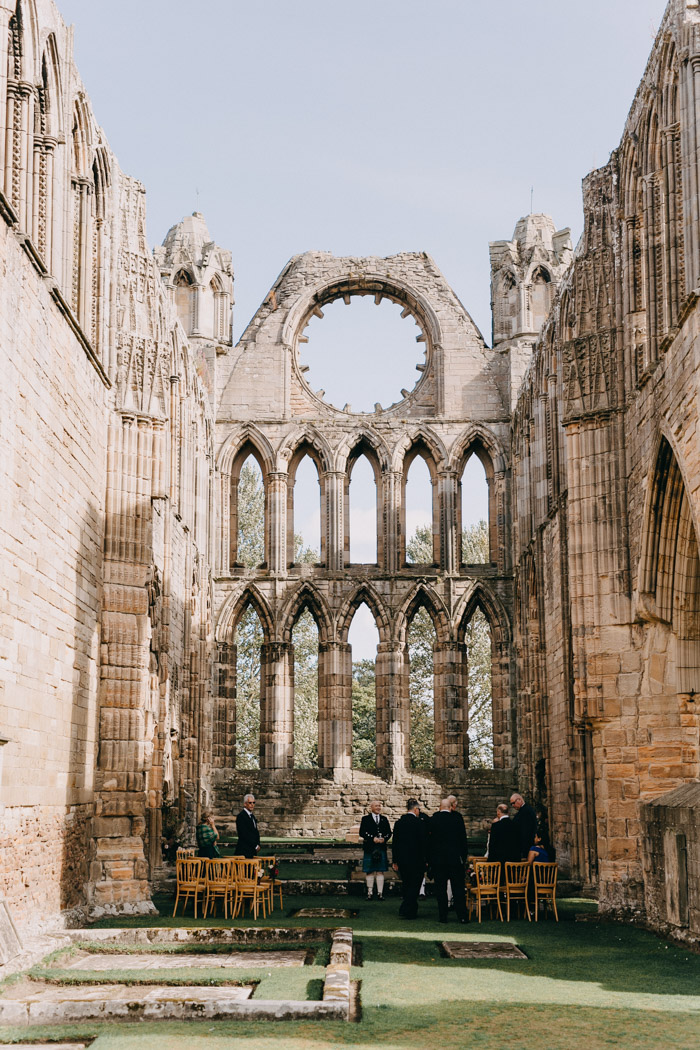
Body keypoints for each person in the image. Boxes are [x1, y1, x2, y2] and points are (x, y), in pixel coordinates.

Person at [429, 798, 469, 924]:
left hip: (439, 860)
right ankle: (462, 916)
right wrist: (463, 856)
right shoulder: (457, 819)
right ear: (450, 807)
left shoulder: (434, 819)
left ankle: (443, 916)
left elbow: (429, 841)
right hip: (454, 859)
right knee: (458, 888)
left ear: (440, 807)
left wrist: (430, 859)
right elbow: (463, 840)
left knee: (440, 889)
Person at [392, 798, 428, 919]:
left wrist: (395, 860)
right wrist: (426, 859)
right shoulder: (419, 823)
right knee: (415, 885)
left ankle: (407, 908)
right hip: (416, 859)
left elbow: (395, 843)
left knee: (407, 883)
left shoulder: (399, 823)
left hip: (403, 859)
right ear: (416, 809)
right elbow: (423, 843)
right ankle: (408, 909)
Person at [359, 800, 392, 900]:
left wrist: (384, 839)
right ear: (371, 807)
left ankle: (380, 893)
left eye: (379, 806)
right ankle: (369, 893)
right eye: (376, 806)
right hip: (370, 848)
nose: (378, 807)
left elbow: (389, 832)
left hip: (381, 847)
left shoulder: (384, 819)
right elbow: (362, 832)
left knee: (380, 871)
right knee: (369, 871)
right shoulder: (365, 819)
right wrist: (372, 838)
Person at [488, 802, 521, 881]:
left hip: (499, 862)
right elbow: (518, 843)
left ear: (498, 812)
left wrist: (490, 861)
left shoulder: (496, 826)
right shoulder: (515, 825)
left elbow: (492, 845)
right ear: (508, 812)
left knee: (500, 884)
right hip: (513, 862)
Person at [510, 792, 537, 859]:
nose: (513, 805)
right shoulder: (524, 810)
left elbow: (526, 831)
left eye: (513, 803)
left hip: (525, 847)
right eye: (511, 804)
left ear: (519, 800)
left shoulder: (526, 811)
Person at [235, 793, 261, 858]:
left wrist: (258, 844)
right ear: (245, 804)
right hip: (244, 850)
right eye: (250, 803)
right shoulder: (241, 816)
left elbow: (255, 832)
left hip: (252, 850)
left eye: (253, 803)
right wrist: (255, 845)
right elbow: (243, 834)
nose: (252, 804)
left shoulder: (252, 817)